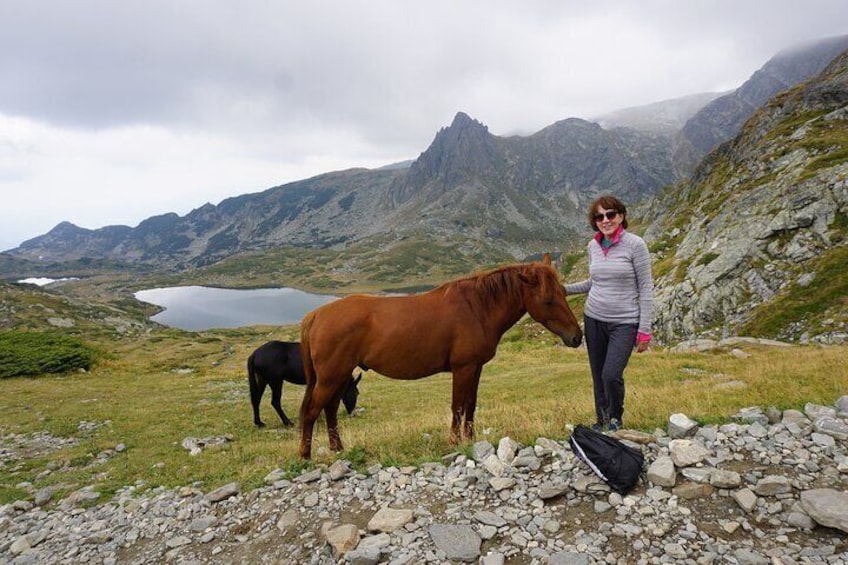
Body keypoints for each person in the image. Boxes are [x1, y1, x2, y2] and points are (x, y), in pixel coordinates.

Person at [565, 195, 653, 432]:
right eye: (599, 216)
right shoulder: (593, 246)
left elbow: (645, 287)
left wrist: (644, 330)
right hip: (594, 319)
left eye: (610, 214)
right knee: (598, 375)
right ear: (595, 221)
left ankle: (616, 416)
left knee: (611, 374)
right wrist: (561, 290)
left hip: (624, 322)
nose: (605, 220)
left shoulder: (636, 245)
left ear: (621, 216)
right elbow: (593, 282)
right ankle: (602, 420)